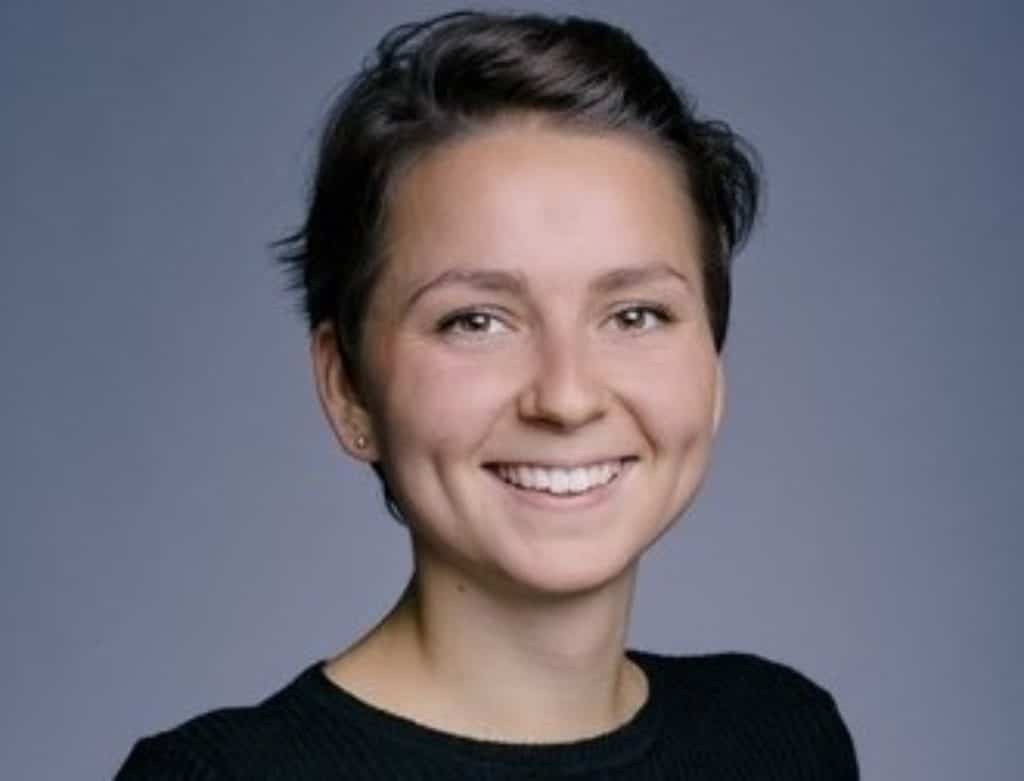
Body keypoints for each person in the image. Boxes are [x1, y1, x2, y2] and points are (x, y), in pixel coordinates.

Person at [116, 10, 858, 779]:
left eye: (635, 314)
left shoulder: (780, 737)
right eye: (476, 320)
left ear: (713, 365)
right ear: (347, 389)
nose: (566, 396)